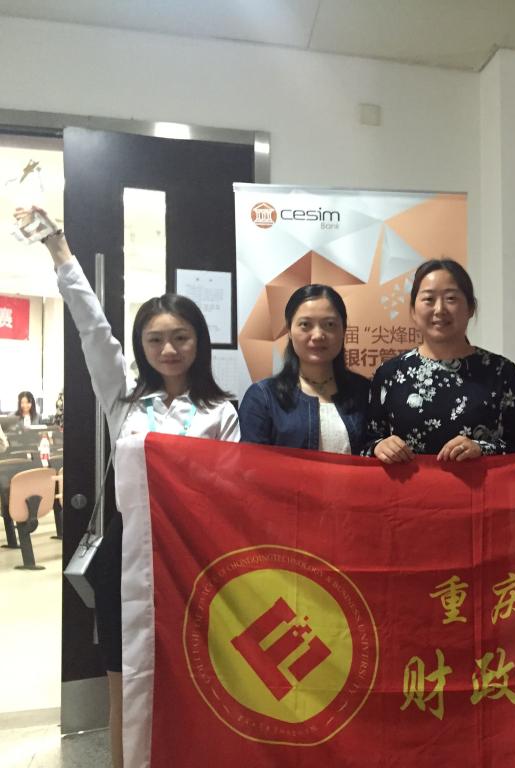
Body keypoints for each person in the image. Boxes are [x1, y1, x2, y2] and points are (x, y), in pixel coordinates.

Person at [16, 206, 240, 768]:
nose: (169, 350)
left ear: (200, 341)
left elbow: (231, 494)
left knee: (195, 674)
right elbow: (93, 328)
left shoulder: (222, 412)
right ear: (141, 346)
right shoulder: (126, 402)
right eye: (155, 339)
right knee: (126, 678)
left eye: (181, 337)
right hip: (127, 557)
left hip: (195, 558)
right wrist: (59, 249)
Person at [365, 259, 515, 463]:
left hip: (481, 484)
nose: (439, 309)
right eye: (429, 299)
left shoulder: (501, 371)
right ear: (413, 311)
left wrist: (483, 449)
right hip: (409, 484)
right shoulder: (389, 374)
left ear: (470, 308)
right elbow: (366, 444)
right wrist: (378, 447)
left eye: (451, 298)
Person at [239, 284, 370, 453]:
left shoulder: (365, 392)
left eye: (330, 324)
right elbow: (251, 464)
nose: (318, 335)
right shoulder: (264, 397)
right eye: (305, 324)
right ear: (289, 331)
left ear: (344, 330)